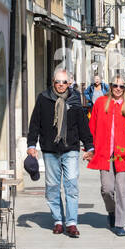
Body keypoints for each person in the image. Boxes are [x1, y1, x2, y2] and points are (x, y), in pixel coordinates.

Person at [27, 68, 94, 237]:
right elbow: (35, 123)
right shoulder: (43, 98)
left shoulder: (75, 99)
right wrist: (31, 144)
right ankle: (58, 220)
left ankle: (71, 223)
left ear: (69, 83)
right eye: (58, 82)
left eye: (64, 82)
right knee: (52, 187)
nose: (61, 85)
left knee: (71, 186)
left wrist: (89, 146)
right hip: (50, 149)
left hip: (70, 148)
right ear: (53, 82)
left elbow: (83, 124)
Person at [87, 75, 125, 236]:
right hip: (104, 152)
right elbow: (92, 127)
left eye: (122, 86)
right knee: (107, 189)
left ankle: (119, 224)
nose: (118, 89)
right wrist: (90, 148)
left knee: (121, 189)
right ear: (111, 86)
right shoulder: (101, 103)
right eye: (115, 86)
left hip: (124, 153)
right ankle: (112, 212)